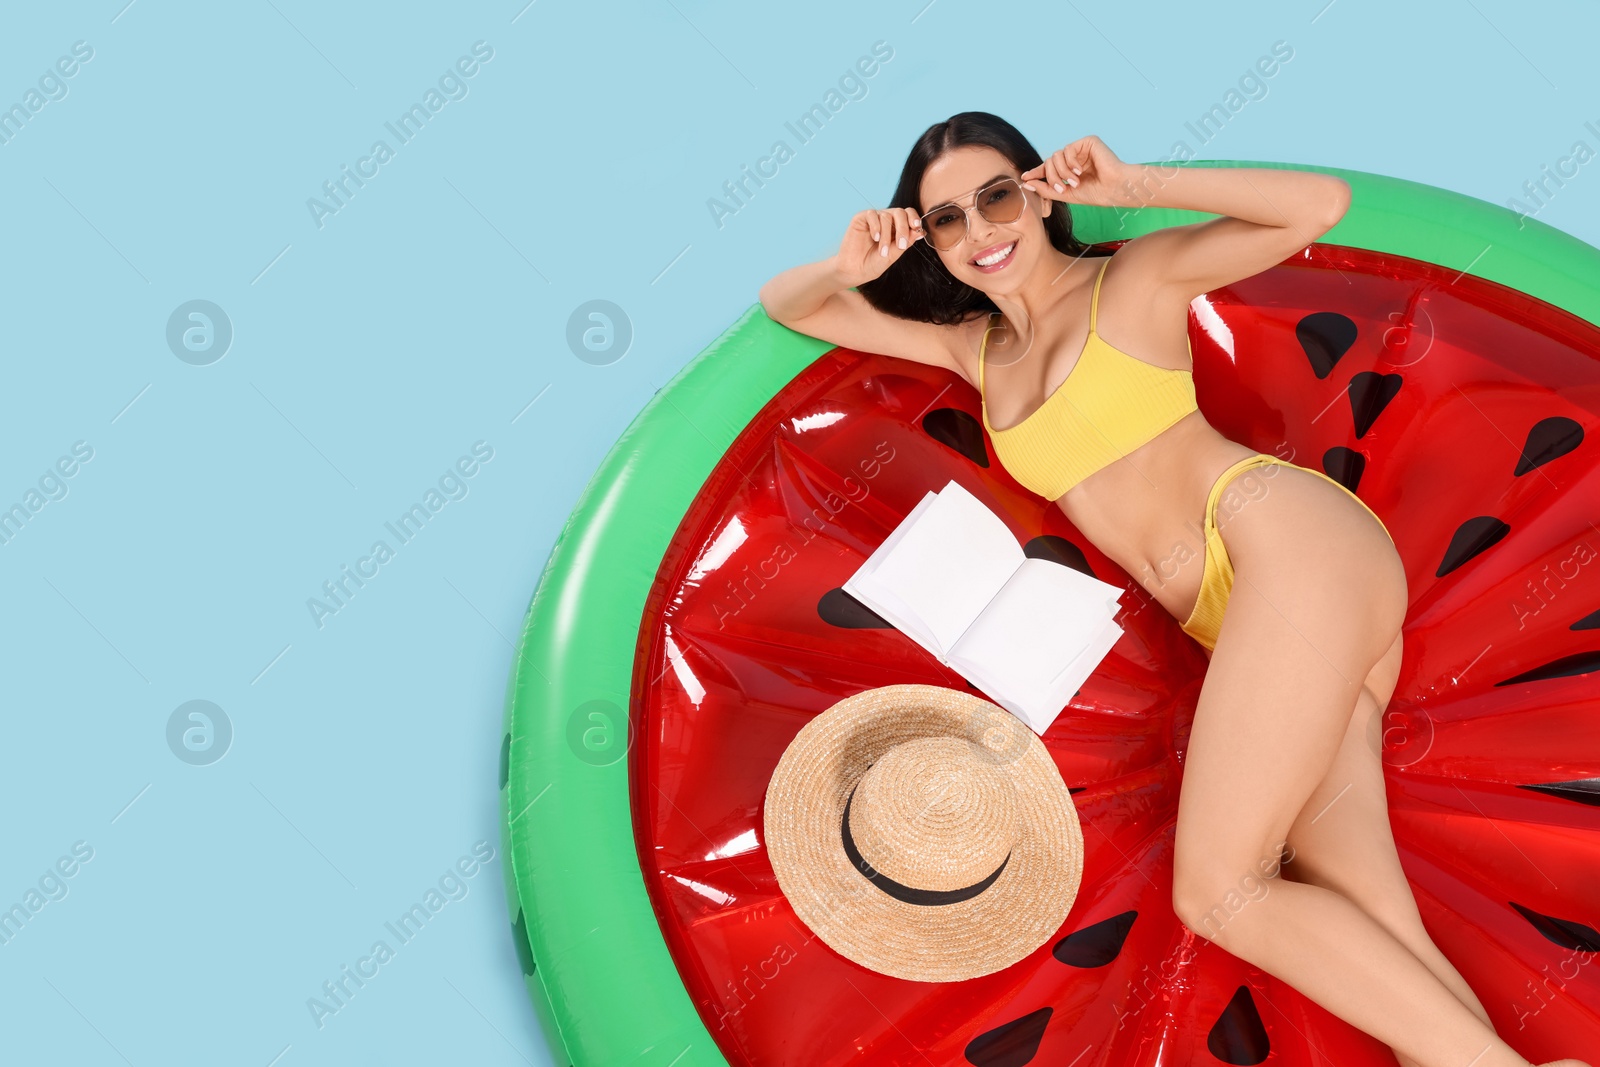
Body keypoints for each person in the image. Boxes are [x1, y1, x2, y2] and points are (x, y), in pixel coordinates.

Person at [757, 111, 1589, 1067]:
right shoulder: (975, 351)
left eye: (996, 197)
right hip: (1234, 616)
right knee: (1365, 902)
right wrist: (850, 264)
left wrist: (1134, 185)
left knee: (1220, 890)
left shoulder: (1129, 280)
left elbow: (1318, 207)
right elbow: (796, 305)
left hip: (1287, 543)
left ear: (1036, 193)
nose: (982, 231)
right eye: (947, 219)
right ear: (930, 239)